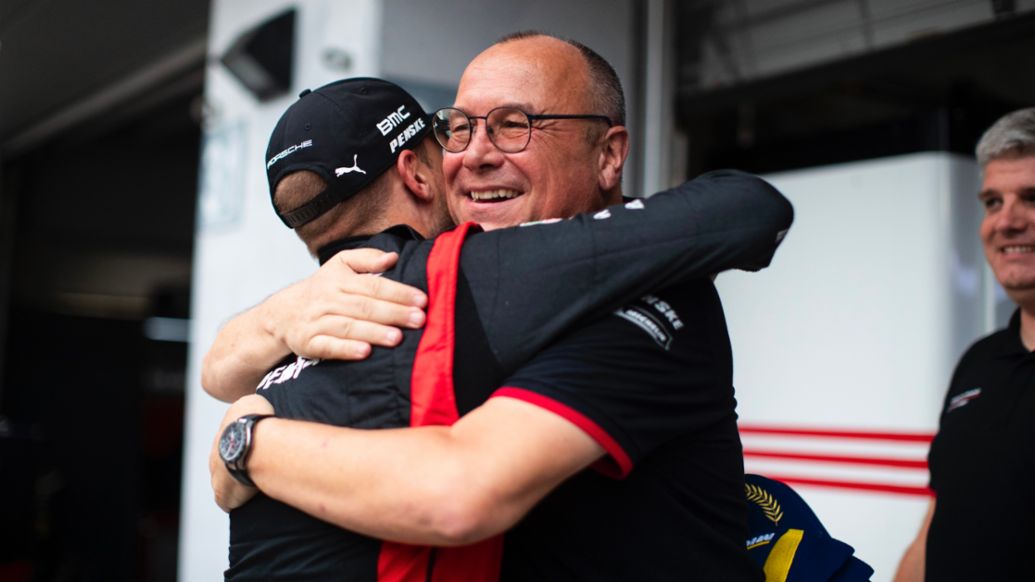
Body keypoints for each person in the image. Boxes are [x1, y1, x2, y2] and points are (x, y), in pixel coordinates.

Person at [210, 32, 788, 580]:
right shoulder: (392, 299)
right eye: (458, 130)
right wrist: (281, 313)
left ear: (609, 156)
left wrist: (247, 443)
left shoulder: (646, 286)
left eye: (515, 125)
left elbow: (460, 491)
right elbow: (219, 368)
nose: (475, 155)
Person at [894, 107, 1035, 582]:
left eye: (1031, 198)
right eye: (993, 202)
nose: (1006, 222)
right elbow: (939, 521)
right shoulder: (979, 362)